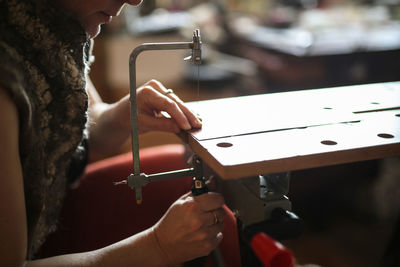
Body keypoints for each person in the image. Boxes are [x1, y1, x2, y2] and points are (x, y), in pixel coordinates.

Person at [0, 0, 240, 266]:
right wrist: (158, 247)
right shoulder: (6, 75)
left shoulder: (56, 25)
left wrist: (120, 117)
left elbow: (78, 135)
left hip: (50, 218)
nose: (135, 0)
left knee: (184, 175)